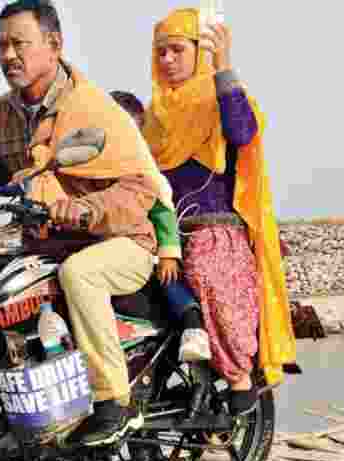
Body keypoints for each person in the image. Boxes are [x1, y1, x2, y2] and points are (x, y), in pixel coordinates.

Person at [0, 0, 171, 461]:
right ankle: (21, 459)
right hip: (44, 245)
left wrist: (83, 209)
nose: (8, 55)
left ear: (54, 45)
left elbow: (140, 187)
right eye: (1, 45)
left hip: (120, 242)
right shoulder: (1, 115)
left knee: (82, 273)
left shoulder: (94, 109)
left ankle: (112, 401)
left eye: (19, 43)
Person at [140, 7, 297, 416]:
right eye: (160, 52)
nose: (167, 60)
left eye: (177, 50)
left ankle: (240, 375)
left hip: (213, 230)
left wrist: (224, 67)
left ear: (200, 52)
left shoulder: (218, 98)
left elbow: (244, 132)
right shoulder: (155, 114)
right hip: (162, 230)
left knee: (205, 266)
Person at [110, 89, 212, 363]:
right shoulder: (95, 165)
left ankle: (192, 324)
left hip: (147, 242)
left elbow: (162, 209)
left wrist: (168, 253)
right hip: (111, 244)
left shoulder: (142, 169)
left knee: (166, 277)